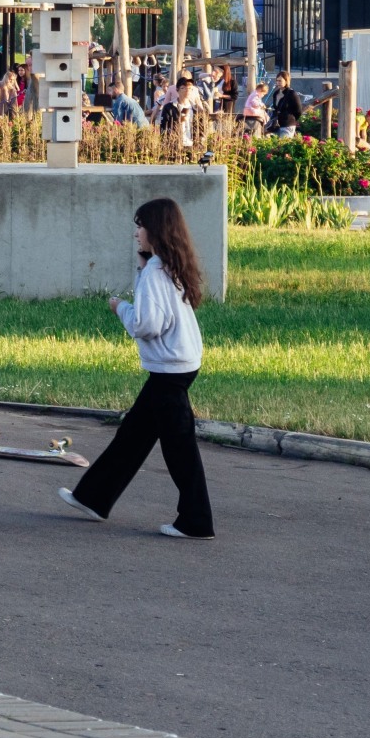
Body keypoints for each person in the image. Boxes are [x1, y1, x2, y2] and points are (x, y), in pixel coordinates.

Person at [59, 197, 213, 539]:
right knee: (132, 436)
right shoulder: (167, 265)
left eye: (140, 226)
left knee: (179, 449)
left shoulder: (157, 272)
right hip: (177, 365)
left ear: (155, 230)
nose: (136, 234)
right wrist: (142, 269)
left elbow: (147, 324)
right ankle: (93, 498)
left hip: (170, 370)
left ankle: (196, 521)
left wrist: (120, 308)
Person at [270, 71, 304, 137]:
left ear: (286, 81)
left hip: (287, 124)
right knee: (275, 145)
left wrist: (291, 118)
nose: (278, 83)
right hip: (277, 125)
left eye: (280, 81)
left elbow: (299, 110)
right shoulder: (276, 93)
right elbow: (276, 108)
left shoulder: (291, 94)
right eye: (277, 81)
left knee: (283, 145)